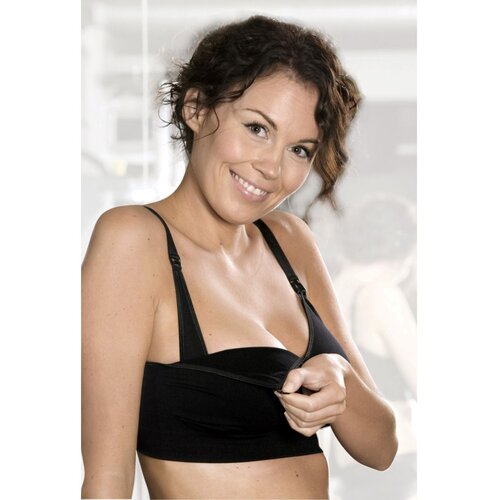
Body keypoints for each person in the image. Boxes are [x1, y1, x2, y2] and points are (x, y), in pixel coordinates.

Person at [81, 15, 398, 499]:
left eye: (299, 149)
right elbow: (108, 479)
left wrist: (339, 376)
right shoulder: (134, 240)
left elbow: (381, 447)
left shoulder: (289, 241)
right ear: (195, 108)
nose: (271, 167)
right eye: (256, 128)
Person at [326, 194, 417, 499]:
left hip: (346, 462)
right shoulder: (382, 295)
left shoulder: (330, 290)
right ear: (405, 249)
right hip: (392, 459)